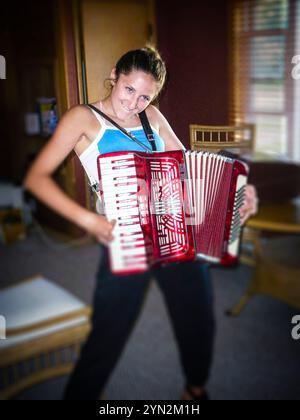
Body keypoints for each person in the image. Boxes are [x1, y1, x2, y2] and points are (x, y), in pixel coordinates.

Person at [24, 47, 258, 400]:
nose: (134, 103)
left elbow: (187, 171)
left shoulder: (154, 117)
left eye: (145, 95)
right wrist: (89, 219)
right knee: (109, 331)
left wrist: (235, 198)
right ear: (116, 74)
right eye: (129, 89)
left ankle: (195, 390)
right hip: (123, 237)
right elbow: (37, 177)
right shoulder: (83, 118)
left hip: (175, 232)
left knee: (197, 317)